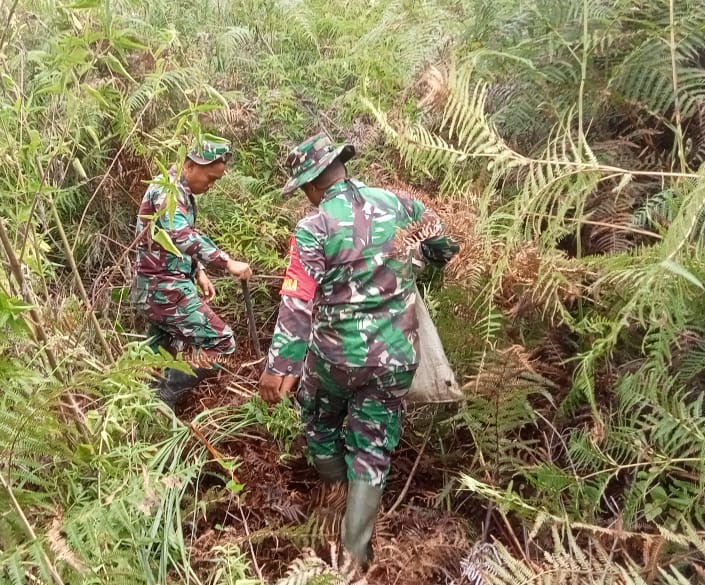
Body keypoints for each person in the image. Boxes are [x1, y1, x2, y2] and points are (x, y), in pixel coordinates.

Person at [258, 133, 459, 570]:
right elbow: (443, 244)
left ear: (312, 185)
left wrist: (279, 368)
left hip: (335, 359)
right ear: (340, 167)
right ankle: (354, 555)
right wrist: (420, 263)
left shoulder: (314, 227)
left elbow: (296, 301)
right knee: (373, 449)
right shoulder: (401, 205)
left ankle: (333, 496)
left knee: (317, 420)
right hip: (394, 359)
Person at [132, 138, 253, 409]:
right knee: (222, 341)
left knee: (158, 355)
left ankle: (146, 412)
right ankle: (166, 398)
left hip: (158, 289)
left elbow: (172, 242)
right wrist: (226, 262)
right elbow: (181, 235)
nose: (210, 187)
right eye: (210, 179)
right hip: (163, 291)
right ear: (190, 165)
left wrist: (198, 271)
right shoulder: (168, 192)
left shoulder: (179, 191)